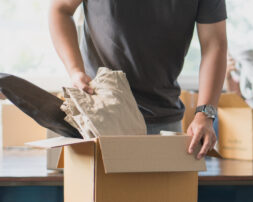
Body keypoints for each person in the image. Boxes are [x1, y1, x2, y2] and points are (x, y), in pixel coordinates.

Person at [49, 0, 227, 159]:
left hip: (163, 121)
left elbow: (215, 45)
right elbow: (61, 9)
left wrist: (205, 114)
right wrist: (75, 70)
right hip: (99, 117)